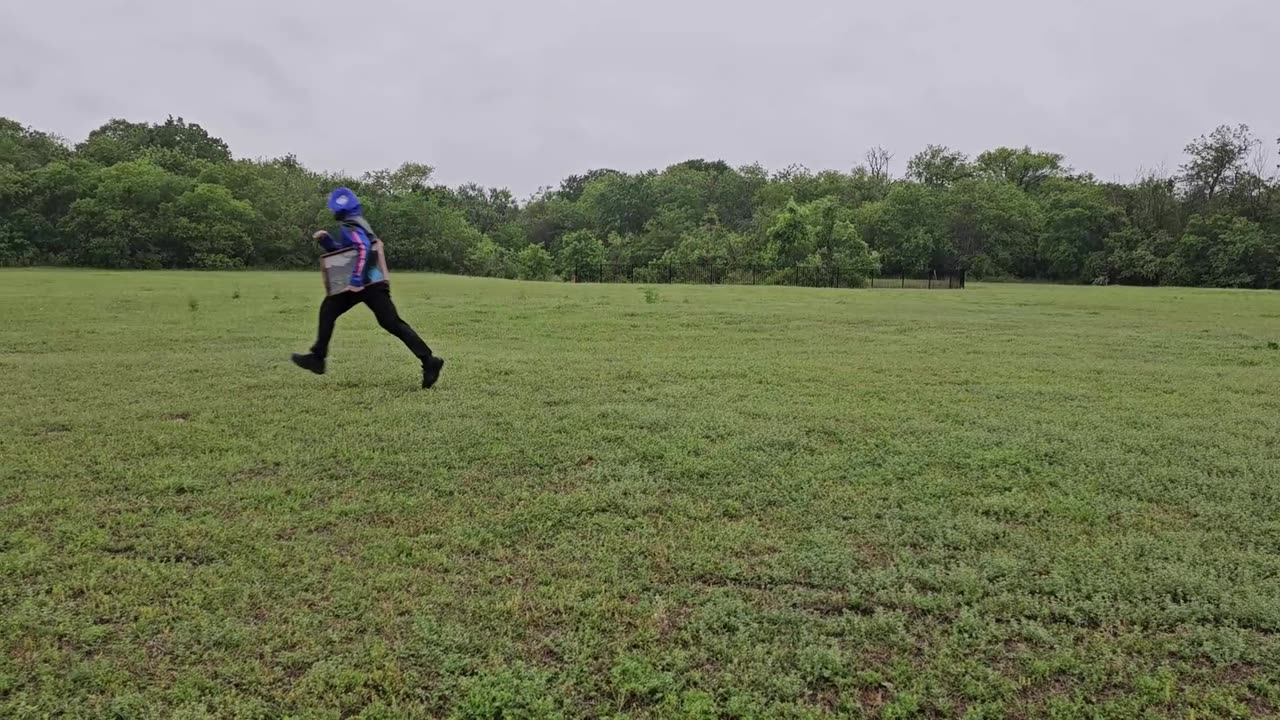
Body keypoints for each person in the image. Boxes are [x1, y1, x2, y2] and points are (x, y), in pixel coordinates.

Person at [291, 187, 445, 388]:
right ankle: (429, 361)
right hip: (373, 280)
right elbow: (349, 252)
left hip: (366, 282)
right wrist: (327, 240)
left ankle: (318, 358)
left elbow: (362, 249)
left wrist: (355, 281)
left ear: (341, 210)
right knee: (388, 321)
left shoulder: (350, 226)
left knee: (334, 310)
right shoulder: (356, 222)